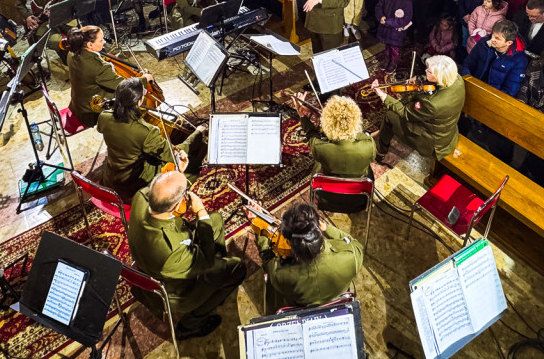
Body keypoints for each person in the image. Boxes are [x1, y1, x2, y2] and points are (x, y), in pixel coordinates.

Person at [128, 172, 245, 339]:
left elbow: (161, 190)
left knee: (216, 219)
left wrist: (179, 172)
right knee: (237, 267)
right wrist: (201, 211)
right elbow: (206, 258)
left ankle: (217, 282)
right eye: (186, 194)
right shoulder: (173, 251)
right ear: (177, 206)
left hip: (157, 260)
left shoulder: (140, 198)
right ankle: (191, 325)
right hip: (178, 292)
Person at [96, 76, 206, 201]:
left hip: (111, 177)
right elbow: (172, 154)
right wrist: (197, 133)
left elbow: (104, 128)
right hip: (132, 184)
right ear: (139, 102)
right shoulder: (146, 131)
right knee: (193, 163)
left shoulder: (104, 117)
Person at [252, 202, 363, 313]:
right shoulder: (351, 256)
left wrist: (261, 232)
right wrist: (327, 228)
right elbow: (353, 242)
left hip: (298, 305)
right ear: (317, 229)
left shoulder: (280, 274)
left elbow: (267, 259)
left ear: (290, 243)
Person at [372, 55, 465, 166]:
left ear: (440, 77)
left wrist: (383, 95)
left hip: (431, 142)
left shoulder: (432, 104)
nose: (426, 71)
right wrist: (421, 79)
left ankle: (381, 152)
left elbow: (405, 113)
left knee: (390, 115)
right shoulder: (457, 79)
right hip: (448, 132)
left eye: (429, 72)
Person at [296, 94, 375, 211]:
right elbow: (360, 136)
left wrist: (302, 115)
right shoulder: (368, 144)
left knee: (319, 164)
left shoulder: (319, 147)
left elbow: (311, 134)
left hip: (326, 200)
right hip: (359, 201)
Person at [66, 25, 126, 128]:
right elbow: (123, 84)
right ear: (90, 45)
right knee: (130, 96)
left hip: (78, 106)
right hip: (92, 113)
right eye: (101, 40)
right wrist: (143, 79)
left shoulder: (71, 53)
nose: (104, 42)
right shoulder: (99, 67)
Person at [460, 19, 528, 96]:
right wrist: (469, 83)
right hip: (472, 87)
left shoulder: (519, 60)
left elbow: (510, 90)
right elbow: (467, 64)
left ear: (509, 43)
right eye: (493, 35)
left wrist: (488, 97)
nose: (492, 39)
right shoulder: (484, 43)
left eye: (497, 38)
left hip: (491, 97)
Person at [375, 0, 414, 73]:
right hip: (385, 28)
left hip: (396, 32)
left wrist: (388, 22)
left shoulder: (407, 3)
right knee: (387, 47)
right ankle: (386, 61)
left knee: (394, 49)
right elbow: (379, 6)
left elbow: (405, 20)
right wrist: (380, 17)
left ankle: (393, 64)